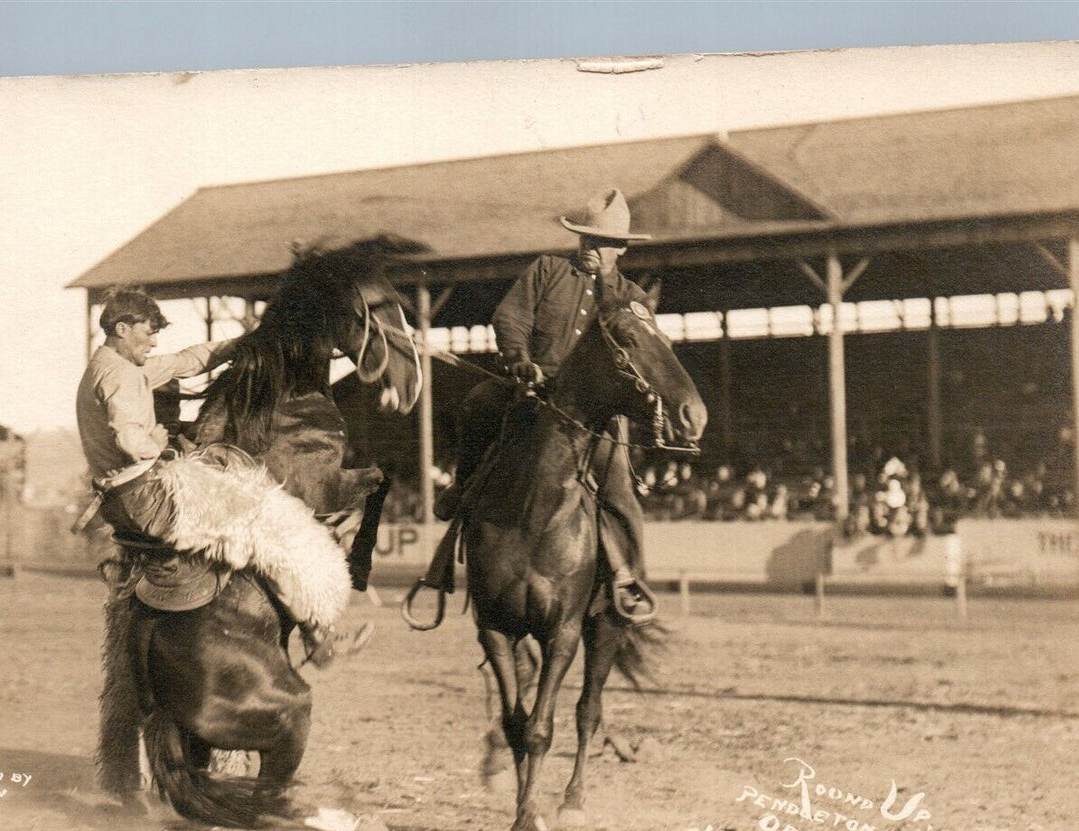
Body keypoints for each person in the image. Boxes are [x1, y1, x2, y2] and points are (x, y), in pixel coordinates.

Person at [76, 287, 373, 666]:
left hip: (129, 496)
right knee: (269, 521)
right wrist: (159, 441)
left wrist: (248, 344)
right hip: (147, 495)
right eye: (149, 333)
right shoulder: (117, 376)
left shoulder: (117, 366)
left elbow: (188, 360)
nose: (153, 342)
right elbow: (131, 440)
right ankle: (319, 635)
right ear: (122, 328)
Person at [432, 188, 659, 623]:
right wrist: (519, 360)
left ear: (620, 249)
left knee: (620, 493)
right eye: (586, 238)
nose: (590, 248)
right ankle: (462, 487)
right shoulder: (548, 269)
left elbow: (643, 354)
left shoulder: (631, 298)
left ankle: (631, 579)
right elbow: (511, 317)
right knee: (479, 402)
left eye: (601, 242)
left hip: (593, 416)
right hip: (529, 392)